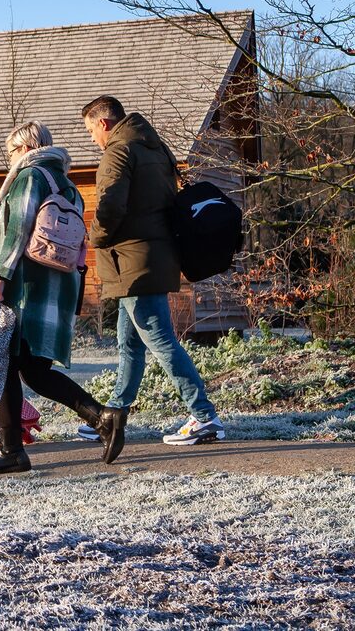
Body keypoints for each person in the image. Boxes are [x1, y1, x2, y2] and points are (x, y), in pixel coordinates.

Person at [0, 122, 127, 475]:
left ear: (26, 149)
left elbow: (17, 231)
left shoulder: (30, 177)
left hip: (24, 290)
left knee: (4, 366)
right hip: (55, 291)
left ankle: (12, 451)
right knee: (34, 371)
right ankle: (103, 418)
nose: (9, 159)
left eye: (11, 152)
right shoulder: (67, 184)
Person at [79, 95, 226, 446]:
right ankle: (112, 416)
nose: (92, 139)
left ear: (104, 123)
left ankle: (205, 417)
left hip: (132, 263)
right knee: (129, 343)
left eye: (89, 131)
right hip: (155, 257)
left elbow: (111, 205)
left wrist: (94, 237)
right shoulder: (155, 148)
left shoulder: (118, 151)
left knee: (160, 341)